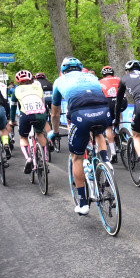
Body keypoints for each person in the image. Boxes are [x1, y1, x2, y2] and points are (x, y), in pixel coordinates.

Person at [49, 57, 112, 215]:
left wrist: (55, 132)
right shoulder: (91, 76)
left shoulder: (59, 81)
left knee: (77, 157)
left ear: (63, 71)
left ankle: (83, 203)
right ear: (80, 67)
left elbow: (55, 114)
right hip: (104, 112)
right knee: (98, 132)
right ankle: (105, 161)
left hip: (80, 115)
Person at [10, 70, 49, 174]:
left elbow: (13, 107)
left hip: (26, 115)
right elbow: (43, 102)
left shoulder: (16, 90)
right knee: (40, 133)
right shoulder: (38, 87)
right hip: (41, 113)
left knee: (23, 137)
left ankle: (28, 158)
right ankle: (45, 160)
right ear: (31, 79)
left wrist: (12, 121)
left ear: (18, 82)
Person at [99, 66, 126, 163]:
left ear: (103, 75)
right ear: (113, 73)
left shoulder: (100, 81)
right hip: (122, 101)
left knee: (108, 127)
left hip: (109, 101)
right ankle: (121, 130)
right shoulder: (118, 79)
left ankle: (113, 152)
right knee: (119, 112)